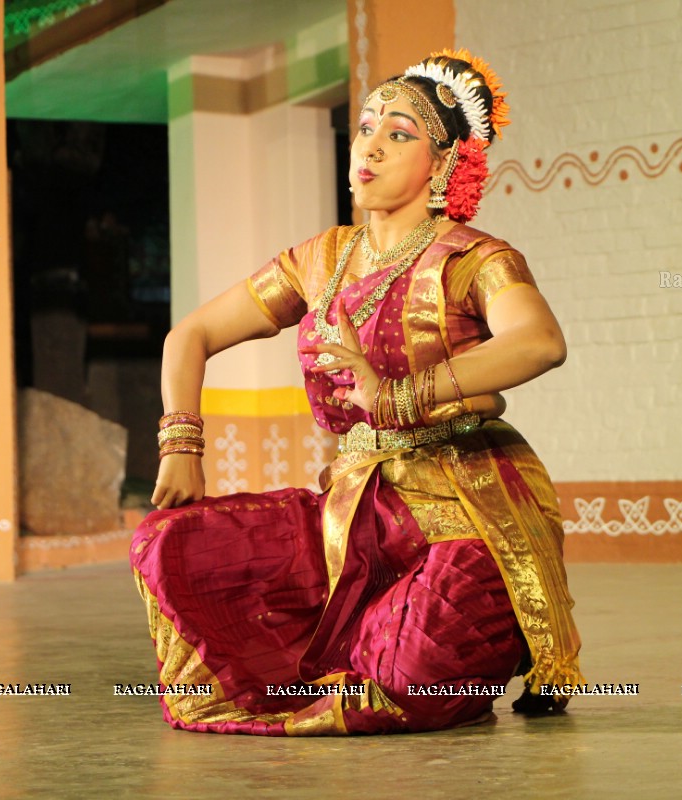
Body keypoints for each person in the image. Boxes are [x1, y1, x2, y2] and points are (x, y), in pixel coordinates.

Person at [130, 49, 583, 736]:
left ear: (441, 164)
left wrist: (399, 396)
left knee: (402, 677)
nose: (369, 145)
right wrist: (180, 446)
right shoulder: (320, 259)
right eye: (365, 126)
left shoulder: (474, 259)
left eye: (398, 133)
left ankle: (468, 645)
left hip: (463, 515)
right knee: (172, 545)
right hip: (354, 515)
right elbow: (187, 336)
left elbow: (539, 341)